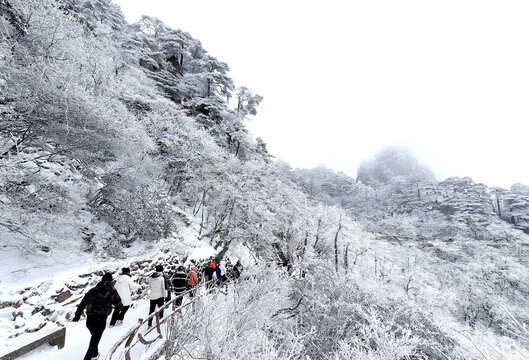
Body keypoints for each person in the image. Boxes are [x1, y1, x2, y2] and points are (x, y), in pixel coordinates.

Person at [72, 273, 122, 360]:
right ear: (110, 280)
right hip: (100, 320)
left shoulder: (92, 290)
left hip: (89, 321)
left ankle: (95, 354)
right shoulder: (112, 291)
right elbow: (119, 305)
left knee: (94, 338)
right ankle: (89, 357)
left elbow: (82, 304)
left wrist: (77, 316)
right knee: (93, 343)